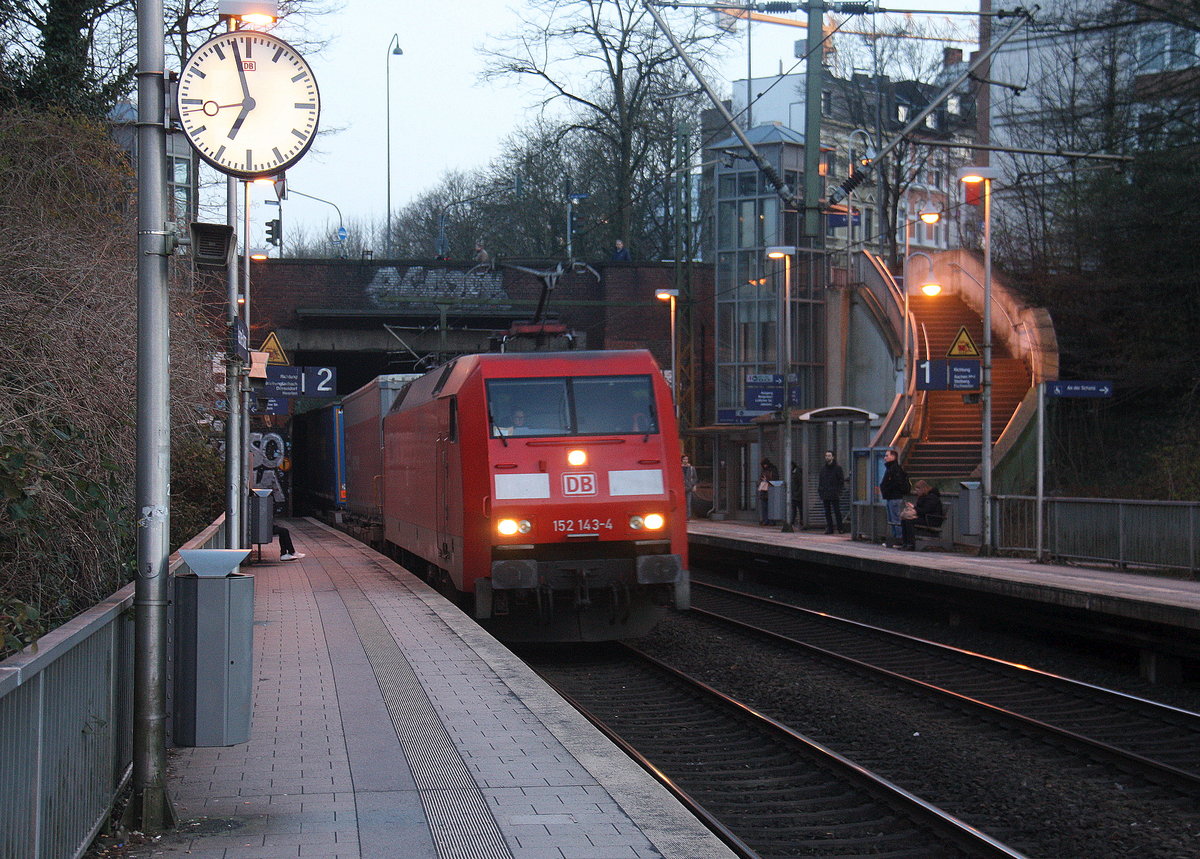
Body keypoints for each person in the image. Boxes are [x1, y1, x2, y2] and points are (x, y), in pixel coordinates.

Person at [878, 449, 911, 546]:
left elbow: (897, 483)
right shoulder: (891, 468)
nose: (885, 458)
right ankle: (895, 538)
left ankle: (899, 538)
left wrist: (888, 488)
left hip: (894, 497)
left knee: (895, 519)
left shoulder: (895, 469)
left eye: (887, 456)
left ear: (893, 457)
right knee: (892, 519)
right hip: (890, 497)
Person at [901, 479, 945, 550]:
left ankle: (911, 544)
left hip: (931, 520)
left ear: (922, 489)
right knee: (905, 520)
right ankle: (905, 543)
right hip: (925, 518)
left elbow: (925, 510)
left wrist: (914, 507)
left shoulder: (932, 498)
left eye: (918, 490)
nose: (916, 492)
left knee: (909, 521)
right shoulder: (923, 497)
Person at [818, 450, 846, 534]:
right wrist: (821, 491)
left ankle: (840, 528)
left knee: (837, 511)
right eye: (826, 456)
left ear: (833, 457)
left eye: (829, 456)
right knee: (827, 512)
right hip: (825, 493)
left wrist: (838, 491)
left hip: (834, 493)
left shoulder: (837, 468)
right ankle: (830, 528)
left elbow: (841, 481)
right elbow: (821, 481)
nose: (827, 457)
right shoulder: (823, 469)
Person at [757, 457, 779, 525]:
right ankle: (765, 520)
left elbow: (775, 479)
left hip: (770, 490)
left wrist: (767, 480)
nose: (764, 466)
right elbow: (760, 479)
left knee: (770, 507)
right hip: (764, 490)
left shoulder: (773, 470)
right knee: (764, 507)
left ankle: (771, 520)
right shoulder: (764, 470)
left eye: (765, 464)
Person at [681, 454, 698, 520]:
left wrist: (693, 485)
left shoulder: (691, 468)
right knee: (681, 503)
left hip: (689, 487)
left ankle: (688, 516)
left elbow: (695, 478)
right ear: (682, 460)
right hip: (681, 487)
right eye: (684, 459)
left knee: (688, 503)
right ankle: (682, 516)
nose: (685, 460)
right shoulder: (679, 468)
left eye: (686, 459)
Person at [789, 461, 803, 527]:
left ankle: (801, 521)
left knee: (800, 509)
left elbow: (801, 483)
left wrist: (798, 493)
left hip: (797, 494)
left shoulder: (797, 472)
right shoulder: (792, 472)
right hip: (794, 494)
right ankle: (793, 521)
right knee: (794, 508)